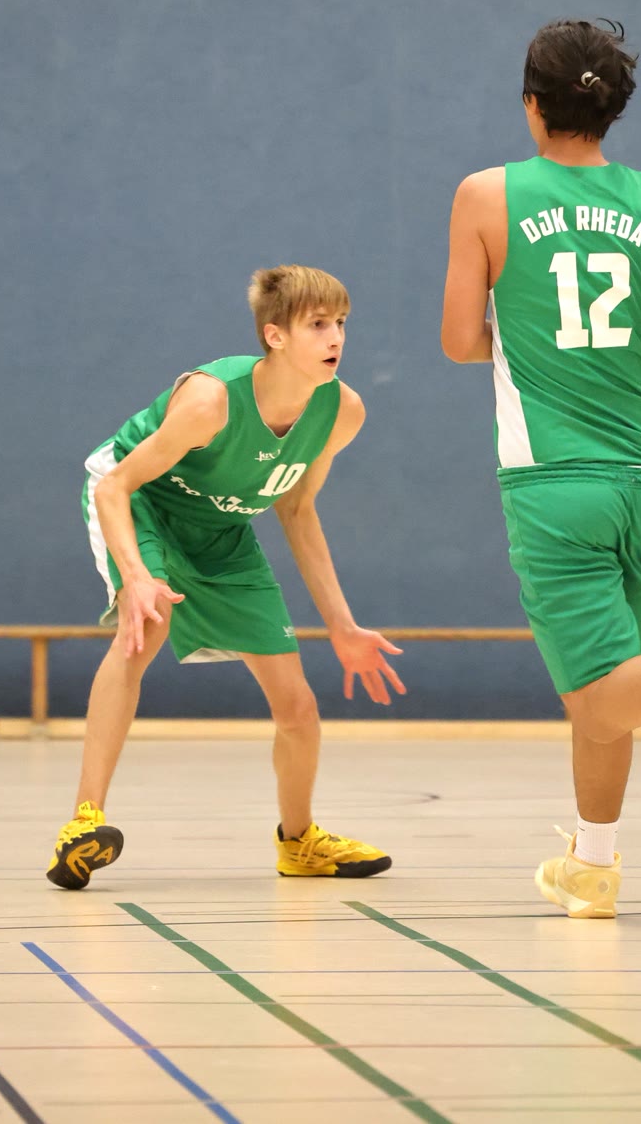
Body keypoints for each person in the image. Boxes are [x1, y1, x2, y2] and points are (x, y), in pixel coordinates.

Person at [439, 18, 641, 920]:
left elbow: (459, 340)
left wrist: (522, 335)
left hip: (552, 478)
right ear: (612, 107)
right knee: (610, 685)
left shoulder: (485, 195)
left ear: (531, 103)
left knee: (599, 690)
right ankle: (593, 864)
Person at [50, 265, 404, 889]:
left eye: (341, 323)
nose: (336, 338)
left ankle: (299, 842)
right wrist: (135, 577)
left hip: (221, 529)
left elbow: (297, 509)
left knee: (297, 706)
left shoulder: (341, 411)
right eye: (318, 324)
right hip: (144, 505)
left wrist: (342, 626)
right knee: (146, 627)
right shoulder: (210, 400)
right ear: (275, 335)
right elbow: (114, 487)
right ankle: (83, 822)